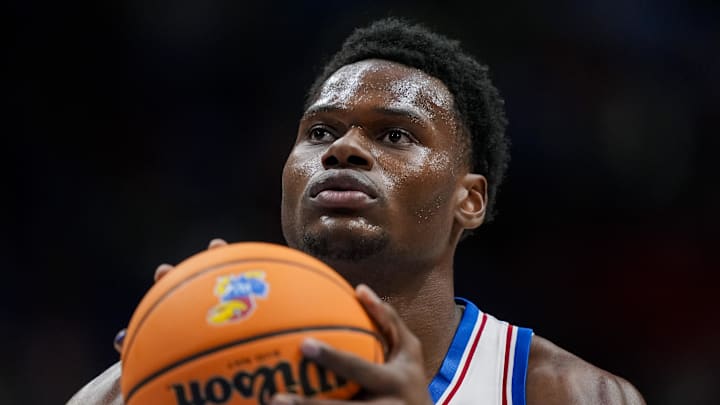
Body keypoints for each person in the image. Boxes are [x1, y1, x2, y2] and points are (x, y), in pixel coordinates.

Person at [68, 18, 645, 404]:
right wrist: (163, 358)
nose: (342, 149)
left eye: (394, 135)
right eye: (320, 131)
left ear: (469, 200)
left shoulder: (566, 393)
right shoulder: (140, 389)